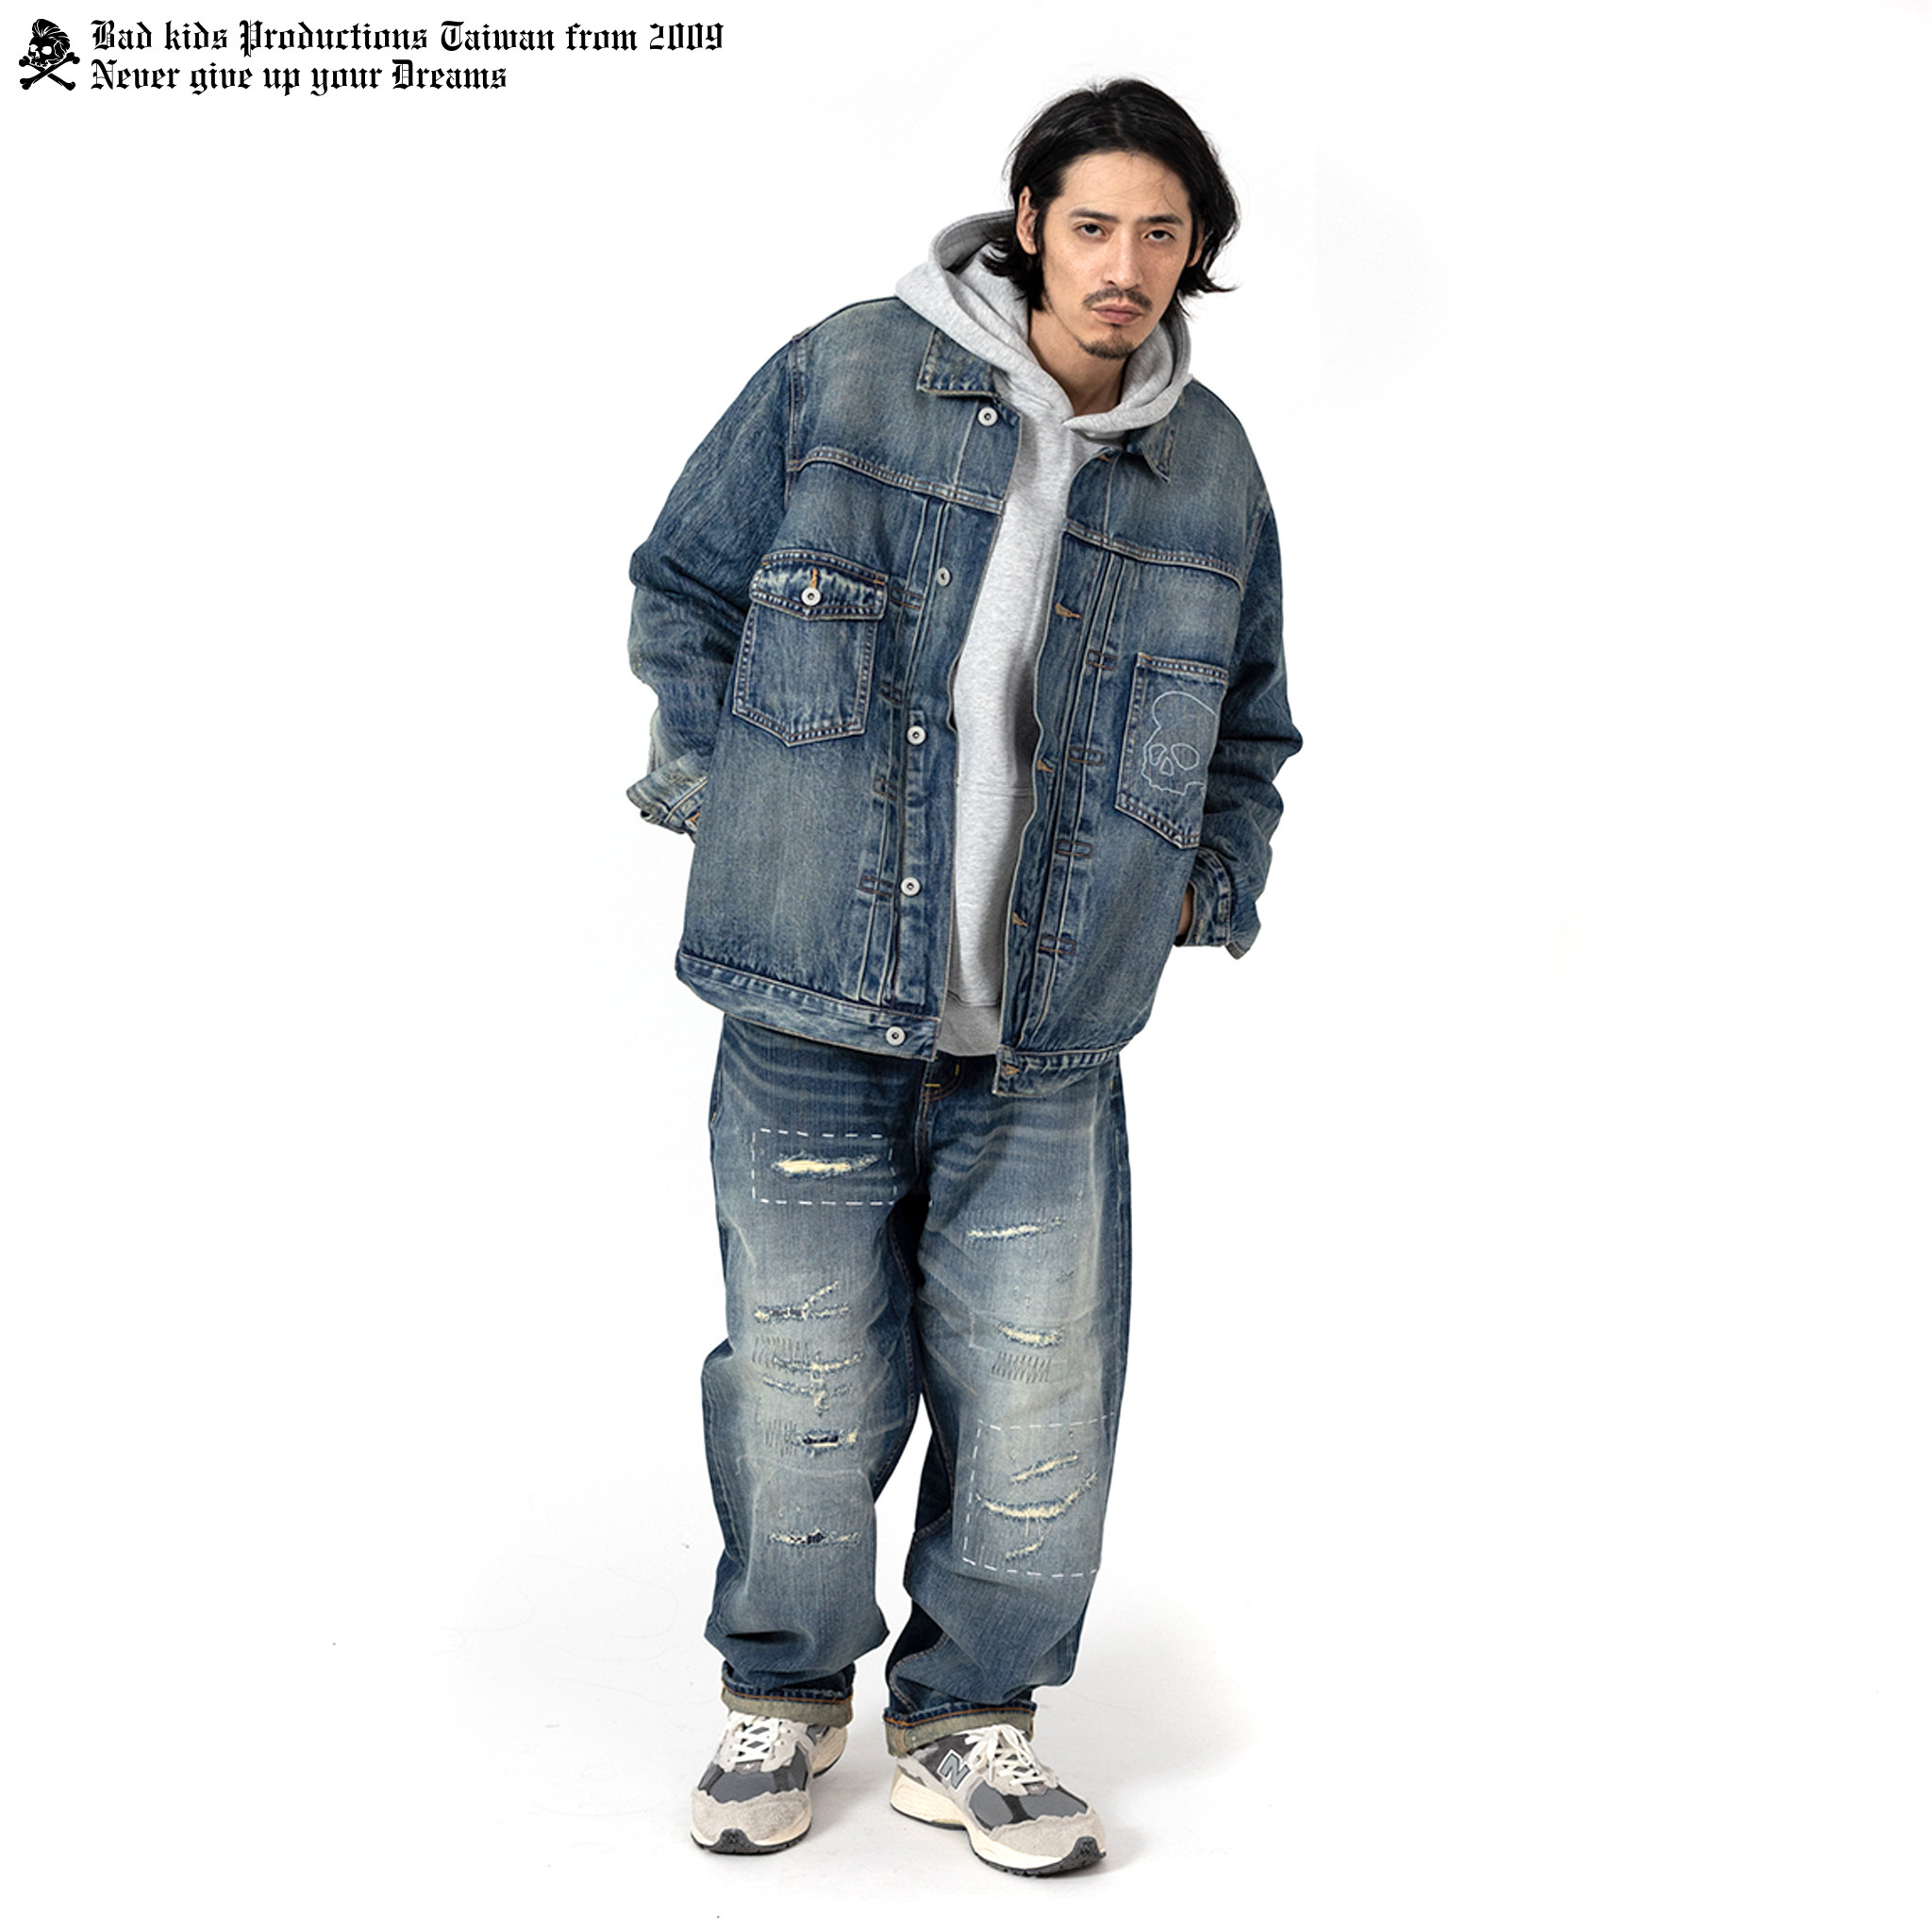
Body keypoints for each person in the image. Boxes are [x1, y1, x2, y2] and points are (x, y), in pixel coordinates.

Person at [625, 77, 1300, 1876]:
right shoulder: (851, 373)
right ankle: (783, 1692)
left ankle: (971, 1721)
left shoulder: (1210, 465)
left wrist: (1203, 883)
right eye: (1095, 225)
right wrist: (720, 795)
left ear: (1195, 255)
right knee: (800, 1379)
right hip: (809, 998)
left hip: (1049, 1036)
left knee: (1037, 1394)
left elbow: (1251, 725)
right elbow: (685, 587)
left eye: (1163, 233)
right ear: (1028, 223)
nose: (1126, 264)